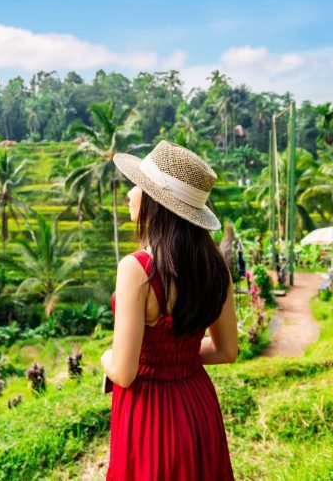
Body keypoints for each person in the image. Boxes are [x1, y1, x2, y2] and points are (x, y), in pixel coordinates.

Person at [100, 140, 238, 480]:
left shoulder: (137, 269)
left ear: (154, 201)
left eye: (138, 185)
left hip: (149, 413)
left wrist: (106, 357)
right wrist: (179, 356)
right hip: (197, 407)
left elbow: (124, 372)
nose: (130, 193)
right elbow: (227, 351)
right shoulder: (215, 267)